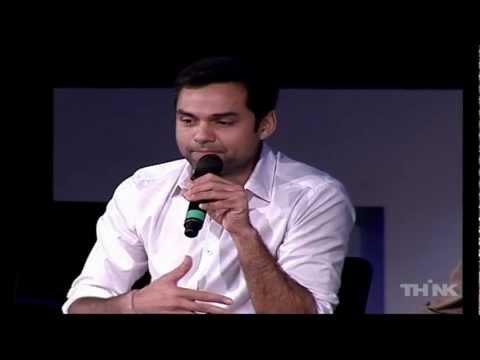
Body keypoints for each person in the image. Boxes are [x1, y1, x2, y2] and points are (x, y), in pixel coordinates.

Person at [62, 57, 355, 314]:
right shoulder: (141, 189)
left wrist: (244, 233)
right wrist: (134, 304)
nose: (201, 136)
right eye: (188, 120)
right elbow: (81, 305)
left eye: (223, 122)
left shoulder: (314, 196)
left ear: (265, 124)